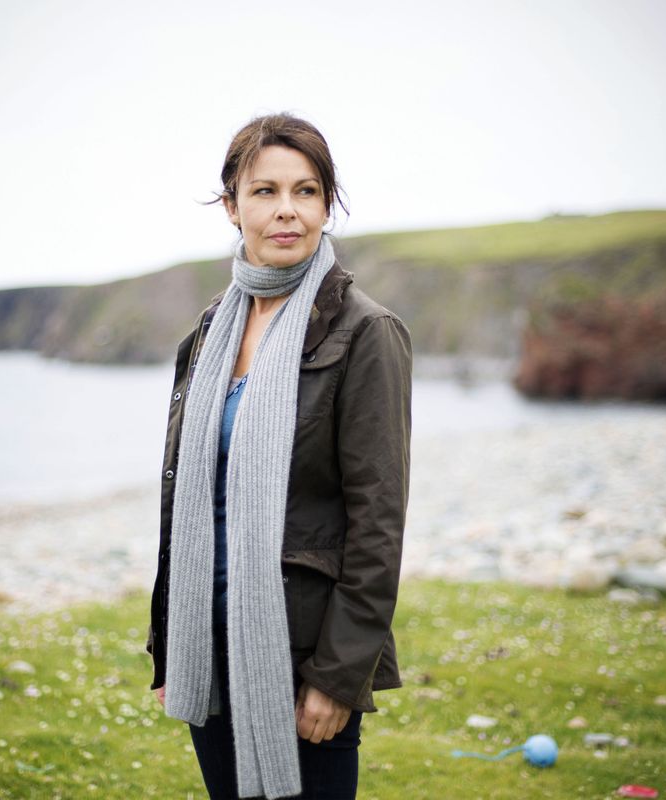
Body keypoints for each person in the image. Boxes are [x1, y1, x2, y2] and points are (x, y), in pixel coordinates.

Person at [146, 112, 412, 800]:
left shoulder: (366, 333)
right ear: (232, 206)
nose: (287, 211)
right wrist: (174, 643)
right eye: (265, 192)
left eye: (307, 191)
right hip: (208, 642)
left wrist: (338, 674)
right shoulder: (210, 332)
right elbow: (190, 498)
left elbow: (377, 522)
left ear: (328, 205)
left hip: (301, 652)